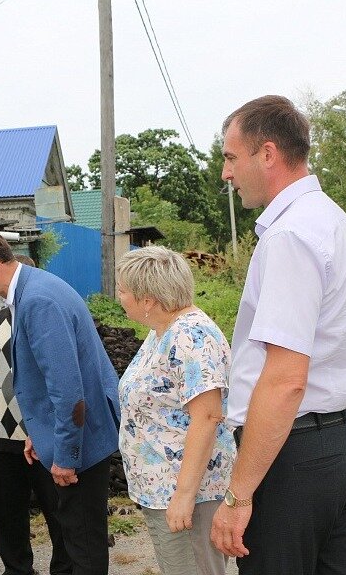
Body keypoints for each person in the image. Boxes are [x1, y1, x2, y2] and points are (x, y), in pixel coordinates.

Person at [210, 95, 346, 574]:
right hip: (341, 443)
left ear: (267, 154)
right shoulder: (335, 222)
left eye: (230, 157)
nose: (226, 172)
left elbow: (285, 380)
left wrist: (238, 497)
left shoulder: (291, 235)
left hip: (294, 457)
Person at [0, 229, 121, 575]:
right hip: (79, 435)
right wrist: (39, 434)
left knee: (83, 550)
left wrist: (64, 456)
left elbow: (67, 391)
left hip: (82, 445)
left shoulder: (37, 302)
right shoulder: (36, 289)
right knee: (79, 540)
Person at [115, 246, 234, 575]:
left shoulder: (191, 338)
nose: (119, 298)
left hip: (188, 494)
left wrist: (184, 495)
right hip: (164, 489)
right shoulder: (163, 332)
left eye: (123, 291)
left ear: (148, 299)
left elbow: (208, 417)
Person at [0, 254, 72, 575]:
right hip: (3, 429)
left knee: (58, 509)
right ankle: (17, 569)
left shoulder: (44, 316)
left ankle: (64, 569)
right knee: (4, 510)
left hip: (43, 430)